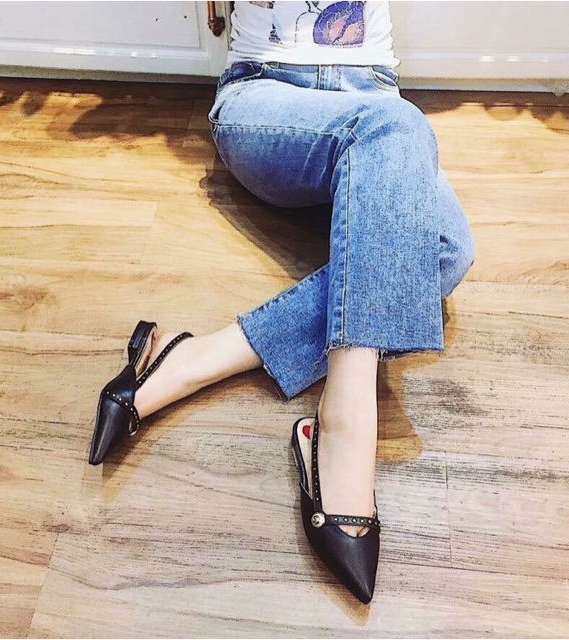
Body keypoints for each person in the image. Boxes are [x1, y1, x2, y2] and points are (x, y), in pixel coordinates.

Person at [89, 0, 474, 604]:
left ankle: (197, 357)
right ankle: (345, 426)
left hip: (372, 92)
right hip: (266, 96)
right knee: (396, 129)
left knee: (446, 251)